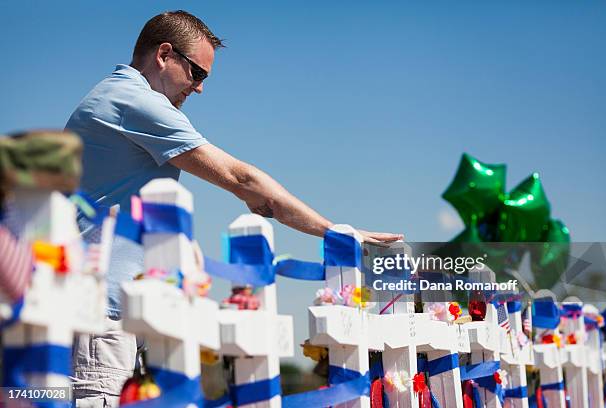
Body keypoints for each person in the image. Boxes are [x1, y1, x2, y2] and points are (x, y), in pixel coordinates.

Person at [66, 10, 402, 407]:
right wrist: (337, 232)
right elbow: (241, 179)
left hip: (99, 312)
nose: (200, 89)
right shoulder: (135, 101)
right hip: (100, 320)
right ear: (164, 54)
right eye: (197, 73)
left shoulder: (115, 94)